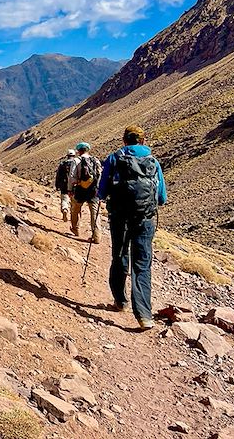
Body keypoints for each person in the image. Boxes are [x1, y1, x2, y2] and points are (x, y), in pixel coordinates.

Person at [97, 125, 167, 330]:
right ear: (143, 141)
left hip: (119, 218)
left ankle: (120, 301)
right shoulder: (153, 162)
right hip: (145, 219)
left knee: (119, 255)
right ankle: (144, 315)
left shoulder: (114, 158)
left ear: (124, 140)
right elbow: (161, 197)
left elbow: (102, 191)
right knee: (142, 264)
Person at [69, 142, 102, 243]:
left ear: (78, 151)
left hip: (80, 189)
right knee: (95, 212)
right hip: (93, 190)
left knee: (75, 209)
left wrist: (70, 189)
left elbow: (72, 176)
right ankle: (97, 236)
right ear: (88, 150)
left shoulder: (76, 160)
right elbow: (100, 174)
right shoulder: (95, 160)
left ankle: (75, 228)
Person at [55, 149, 79, 222]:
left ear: (67, 156)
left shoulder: (63, 164)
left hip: (64, 185)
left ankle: (65, 209)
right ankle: (73, 217)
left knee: (64, 199)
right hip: (74, 185)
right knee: (73, 201)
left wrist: (57, 185)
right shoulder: (77, 163)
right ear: (74, 155)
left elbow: (58, 175)